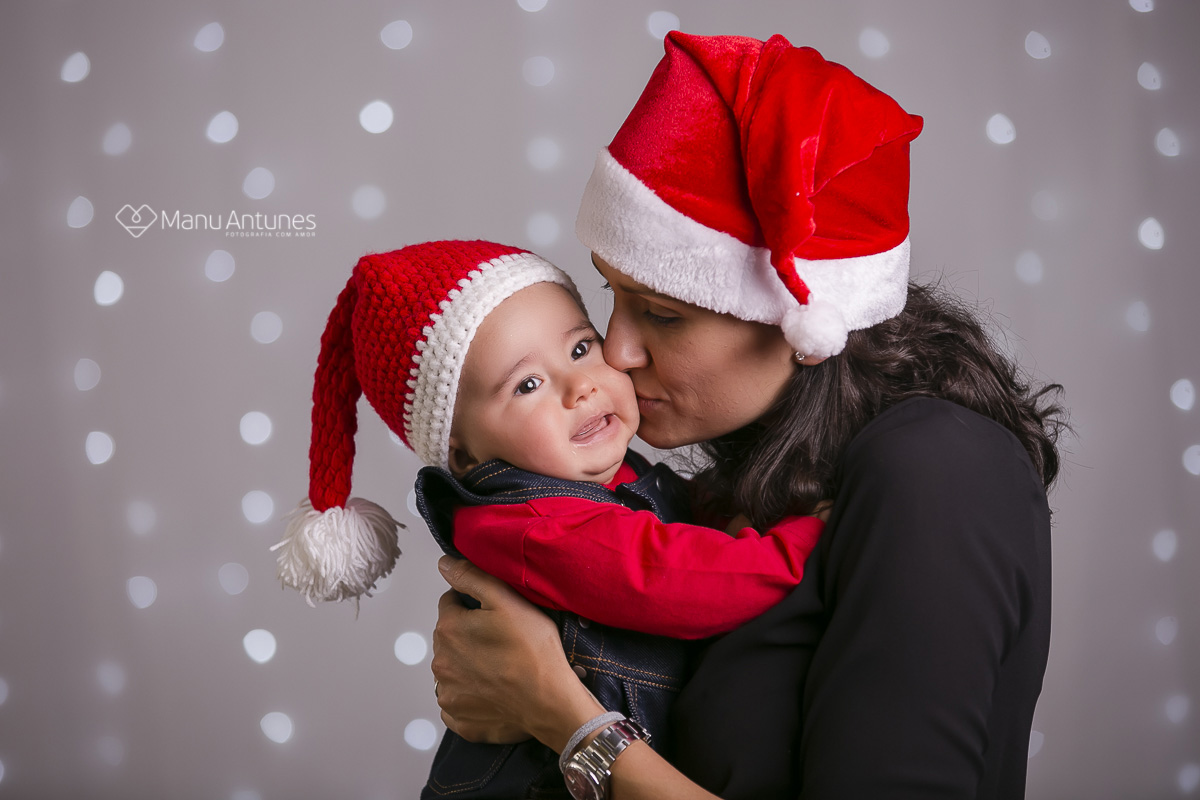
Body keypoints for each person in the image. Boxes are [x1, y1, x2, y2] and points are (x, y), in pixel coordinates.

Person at [429, 32, 1065, 800]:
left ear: (803, 326)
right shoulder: (753, 480)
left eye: (662, 314)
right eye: (612, 298)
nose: (617, 352)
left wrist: (564, 716)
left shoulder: (936, 469)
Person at [270, 239, 825, 798]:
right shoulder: (538, 526)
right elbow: (687, 580)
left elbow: (675, 516)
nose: (579, 386)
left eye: (582, 348)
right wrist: (811, 533)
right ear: (464, 456)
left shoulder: (598, 479)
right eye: (527, 385)